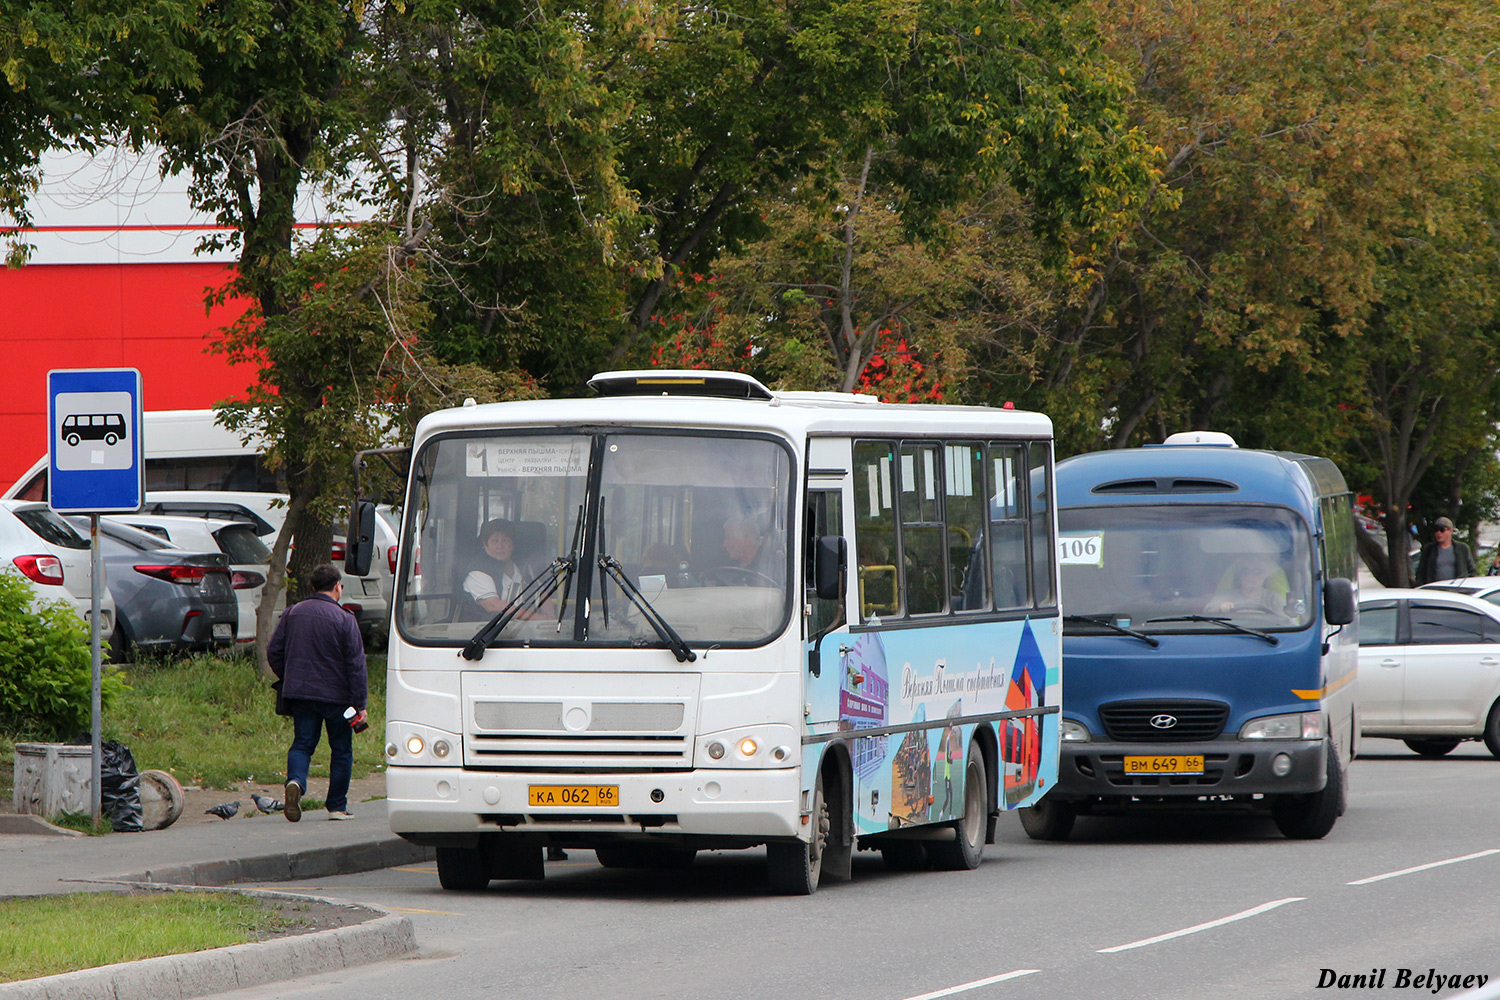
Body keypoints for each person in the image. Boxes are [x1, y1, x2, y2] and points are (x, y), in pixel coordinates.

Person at [268, 563, 367, 822]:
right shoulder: (345, 619)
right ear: (337, 587)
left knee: (302, 744)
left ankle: (296, 782)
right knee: (342, 750)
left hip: (300, 694)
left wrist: (289, 676)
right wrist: (360, 703)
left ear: (312, 587)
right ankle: (336, 806)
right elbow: (356, 664)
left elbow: (273, 652)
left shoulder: (292, 614)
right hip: (339, 699)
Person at [1204, 554, 1287, 616]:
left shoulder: (1274, 599)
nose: (1250, 576)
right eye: (1245, 571)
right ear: (1239, 575)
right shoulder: (1225, 596)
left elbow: (1288, 624)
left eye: (1257, 572)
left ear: (1264, 575)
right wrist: (1219, 608)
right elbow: (1207, 614)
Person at [1416, 516, 1475, 584]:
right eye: (1436, 530)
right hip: (1435, 589)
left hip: (1457, 589)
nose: (1438, 533)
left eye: (1442, 530)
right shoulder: (1429, 549)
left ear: (1450, 530)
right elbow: (1421, 571)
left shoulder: (1462, 548)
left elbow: (1471, 570)